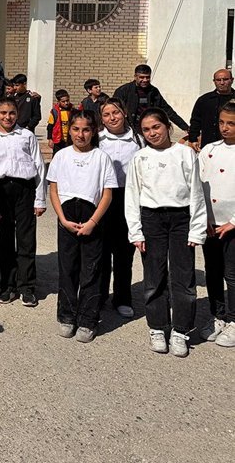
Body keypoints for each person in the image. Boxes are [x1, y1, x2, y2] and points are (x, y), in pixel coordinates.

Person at [125, 107, 206, 357]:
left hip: (181, 219)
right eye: (146, 129)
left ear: (168, 127)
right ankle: (158, 326)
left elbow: (196, 193)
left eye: (156, 127)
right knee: (154, 276)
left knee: (183, 277)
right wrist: (136, 232)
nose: (152, 133)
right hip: (152, 220)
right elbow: (132, 195)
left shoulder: (185, 153)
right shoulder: (140, 158)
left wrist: (196, 230)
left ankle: (181, 330)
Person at [47, 111, 117, 343]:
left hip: (92, 218)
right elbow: (54, 190)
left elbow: (107, 193)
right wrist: (62, 218)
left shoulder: (101, 157)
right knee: (68, 269)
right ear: (70, 131)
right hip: (67, 216)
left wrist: (93, 222)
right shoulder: (61, 156)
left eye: (86, 129)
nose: (80, 134)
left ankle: (88, 319)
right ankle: (66, 316)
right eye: (76, 129)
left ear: (93, 131)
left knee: (91, 270)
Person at [0, 97, 47, 307]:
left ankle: (26, 286)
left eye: (11, 113)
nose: (7, 117)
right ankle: (7, 286)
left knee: (26, 240)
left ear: (17, 114)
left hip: (25, 190)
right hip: (2, 191)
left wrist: (40, 198)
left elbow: (39, 167)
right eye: (3, 113)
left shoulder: (26, 136)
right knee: (6, 240)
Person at [97, 98, 143, 318]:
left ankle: (122, 297)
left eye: (115, 113)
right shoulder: (98, 140)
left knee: (124, 252)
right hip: (104, 198)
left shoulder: (138, 141)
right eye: (106, 114)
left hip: (129, 198)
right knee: (102, 251)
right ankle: (100, 295)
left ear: (124, 113)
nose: (112, 118)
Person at [197, 101, 235, 347]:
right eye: (221, 122)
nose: (225, 128)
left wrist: (233, 222)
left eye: (231, 123)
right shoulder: (209, 149)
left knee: (232, 274)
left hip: (232, 226)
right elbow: (198, 186)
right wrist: (204, 218)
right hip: (210, 224)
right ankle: (217, 314)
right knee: (213, 271)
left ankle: (233, 320)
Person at [114, 64, 189, 131]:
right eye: (142, 77)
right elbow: (114, 110)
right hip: (128, 129)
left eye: (147, 77)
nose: (145, 80)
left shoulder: (154, 91)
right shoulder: (124, 91)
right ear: (135, 77)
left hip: (148, 128)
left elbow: (168, 110)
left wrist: (185, 127)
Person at [188, 69, 234, 150]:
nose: (222, 83)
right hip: (208, 145)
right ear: (214, 81)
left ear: (232, 80)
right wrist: (193, 139)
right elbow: (195, 121)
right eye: (218, 80)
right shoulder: (204, 100)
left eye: (225, 79)